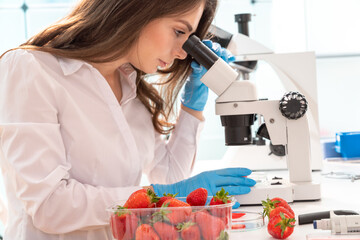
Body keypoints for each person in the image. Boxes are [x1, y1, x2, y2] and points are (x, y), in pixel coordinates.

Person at [0, 0, 256, 239]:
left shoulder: (131, 88)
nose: (181, 53)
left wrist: (192, 106)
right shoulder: (31, 69)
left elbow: (170, 178)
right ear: (138, 10)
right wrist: (162, 195)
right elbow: (50, 207)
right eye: (179, 32)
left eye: (189, 40)